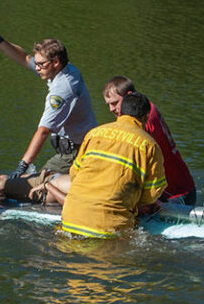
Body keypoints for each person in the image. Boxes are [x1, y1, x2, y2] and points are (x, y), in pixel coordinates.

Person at [0, 30, 97, 177]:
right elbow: (25, 58)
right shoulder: (63, 69)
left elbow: (43, 131)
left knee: (32, 185)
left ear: (56, 62)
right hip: (74, 148)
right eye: (37, 63)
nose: (37, 67)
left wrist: (22, 166)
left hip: (76, 152)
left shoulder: (62, 89)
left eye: (40, 64)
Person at [61, 92, 167, 238]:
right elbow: (152, 193)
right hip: (110, 227)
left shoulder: (94, 134)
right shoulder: (149, 145)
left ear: (120, 112)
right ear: (146, 117)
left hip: (70, 219)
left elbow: (74, 174)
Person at [102, 76, 197, 205]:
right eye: (108, 104)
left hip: (175, 194)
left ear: (129, 96)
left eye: (114, 103)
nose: (111, 109)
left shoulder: (144, 120)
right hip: (168, 190)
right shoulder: (145, 109)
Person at [0, 171, 72, 205]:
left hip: (46, 187)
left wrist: (47, 186)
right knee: (0, 179)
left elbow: (70, 204)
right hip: (50, 178)